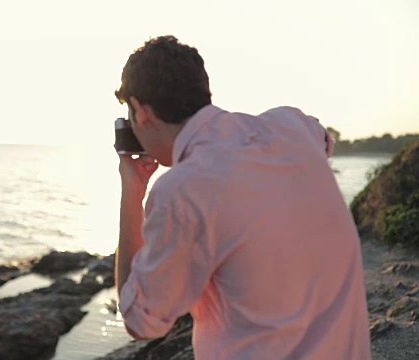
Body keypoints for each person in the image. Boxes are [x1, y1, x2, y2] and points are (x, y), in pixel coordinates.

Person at [114, 35, 372, 359]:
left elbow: (141, 321)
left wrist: (132, 191)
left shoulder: (181, 190)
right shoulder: (292, 125)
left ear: (139, 110)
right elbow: (322, 138)